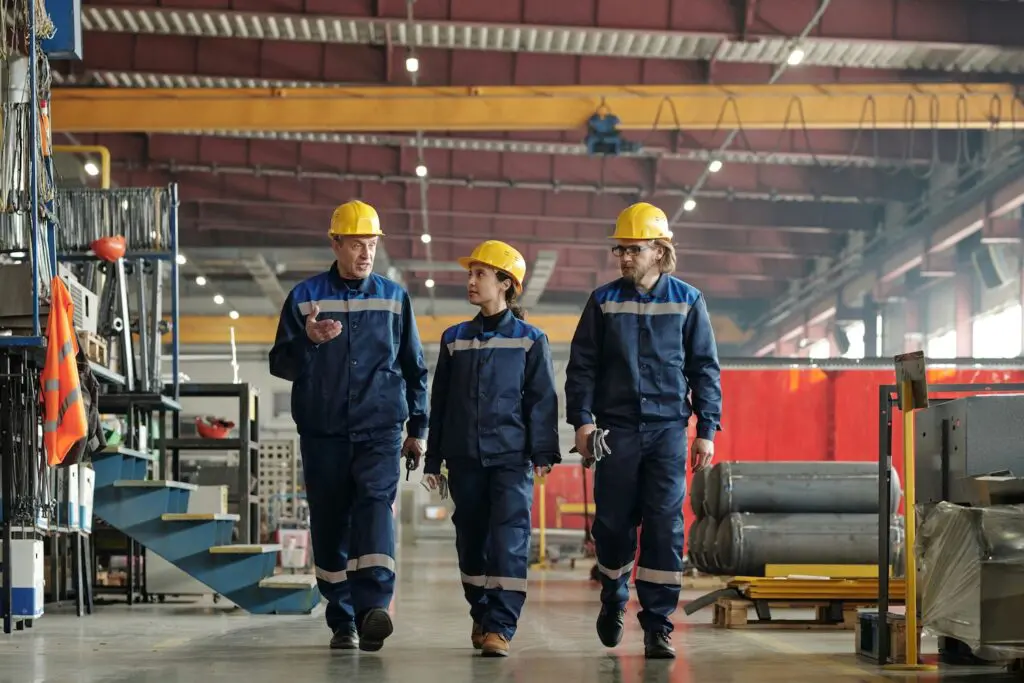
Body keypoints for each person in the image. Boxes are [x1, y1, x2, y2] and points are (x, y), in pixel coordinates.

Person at [268, 199, 430, 653]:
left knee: (376, 506)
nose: (365, 254)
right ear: (335, 243)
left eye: (372, 244)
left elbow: (414, 367)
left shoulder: (394, 297)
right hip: (323, 432)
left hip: (379, 428)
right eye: (356, 244)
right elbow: (280, 363)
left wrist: (418, 428)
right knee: (330, 521)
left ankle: (374, 605)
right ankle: (342, 618)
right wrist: (308, 341)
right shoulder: (305, 298)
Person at [564, 202, 723, 659]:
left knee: (664, 527)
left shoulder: (688, 301)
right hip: (614, 432)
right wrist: (583, 420)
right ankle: (613, 596)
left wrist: (706, 428)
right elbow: (582, 368)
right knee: (613, 525)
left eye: (633, 249)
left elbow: (704, 369)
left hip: (669, 432)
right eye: (620, 249)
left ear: (659, 250)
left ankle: (657, 624)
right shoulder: (603, 301)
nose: (624, 257)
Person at [422, 240, 561, 658]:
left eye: (480, 274)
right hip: (464, 460)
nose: (470, 281)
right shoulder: (454, 339)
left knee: (509, 541)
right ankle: (481, 613)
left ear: (506, 284)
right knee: (471, 544)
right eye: (470, 273)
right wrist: (433, 458)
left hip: (510, 459)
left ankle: (501, 626)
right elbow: (440, 403)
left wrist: (543, 451)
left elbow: (542, 399)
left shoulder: (530, 340)